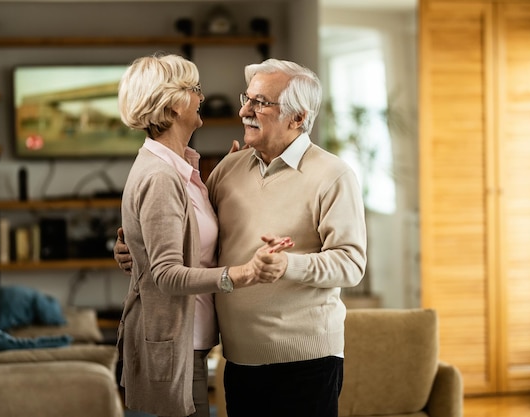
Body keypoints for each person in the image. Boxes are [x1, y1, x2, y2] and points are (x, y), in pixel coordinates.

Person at [115, 58, 367, 417]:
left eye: (260, 103)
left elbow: (351, 264)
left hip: (306, 359)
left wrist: (285, 265)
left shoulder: (333, 175)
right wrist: (133, 249)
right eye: (246, 99)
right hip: (238, 359)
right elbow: (193, 238)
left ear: (297, 118)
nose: (244, 110)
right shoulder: (227, 170)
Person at [115, 53, 292, 417]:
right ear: (177, 102)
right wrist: (242, 274)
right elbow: (166, 275)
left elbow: (183, 236)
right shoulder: (161, 177)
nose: (202, 97)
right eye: (195, 89)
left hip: (192, 343)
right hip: (175, 348)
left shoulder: (184, 168)